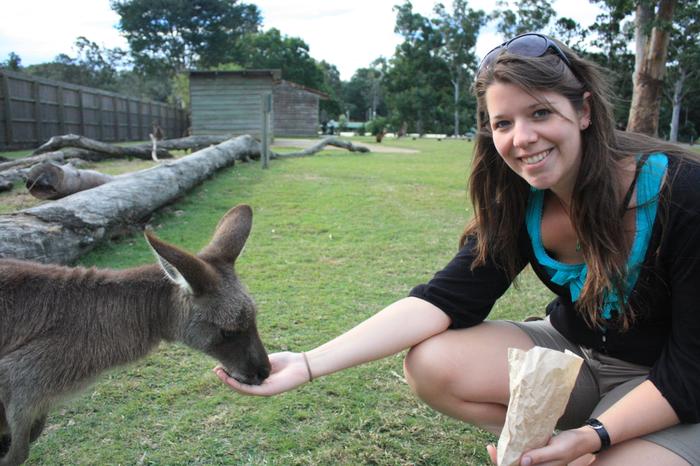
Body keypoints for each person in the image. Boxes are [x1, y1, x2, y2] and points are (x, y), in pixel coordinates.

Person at [214, 33, 700, 466]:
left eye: (540, 113)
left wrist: (594, 435)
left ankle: (586, 444)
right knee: (430, 362)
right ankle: (549, 447)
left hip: (672, 382)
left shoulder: (682, 194)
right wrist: (309, 362)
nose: (522, 139)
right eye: (503, 122)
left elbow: (691, 370)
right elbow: (441, 300)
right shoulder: (519, 200)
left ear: (585, 111)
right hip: (577, 357)